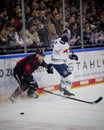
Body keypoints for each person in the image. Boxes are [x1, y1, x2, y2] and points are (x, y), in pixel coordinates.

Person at [51, 29, 78, 96]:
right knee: (70, 76)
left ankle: (62, 89)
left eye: (69, 35)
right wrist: (62, 41)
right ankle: (67, 90)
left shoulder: (66, 44)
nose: (68, 36)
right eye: (67, 34)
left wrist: (71, 56)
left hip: (60, 62)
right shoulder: (58, 40)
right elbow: (56, 49)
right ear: (63, 34)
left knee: (64, 75)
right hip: (58, 62)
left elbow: (65, 54)